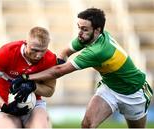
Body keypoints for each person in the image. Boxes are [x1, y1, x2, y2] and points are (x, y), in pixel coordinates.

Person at [12, 8, 153, 128]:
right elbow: (64, 53)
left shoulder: (98, 50)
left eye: (84, 29)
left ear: (97, 30)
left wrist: (26, 77)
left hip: (134, 92)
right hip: (110, 88)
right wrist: (57, 62)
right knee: (87, 125)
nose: (79, 33)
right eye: (79, 27)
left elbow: (59, 71)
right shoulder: (87, 37)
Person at [0, 26, 60, 128]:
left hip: (34, 104)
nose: (38, 55)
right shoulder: (7, 52)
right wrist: (4, 106)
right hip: (6, 104)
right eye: (34, 50)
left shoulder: (50, 59)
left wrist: (33, 86)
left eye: (43, 50)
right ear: (26, 42)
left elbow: (50, 91)